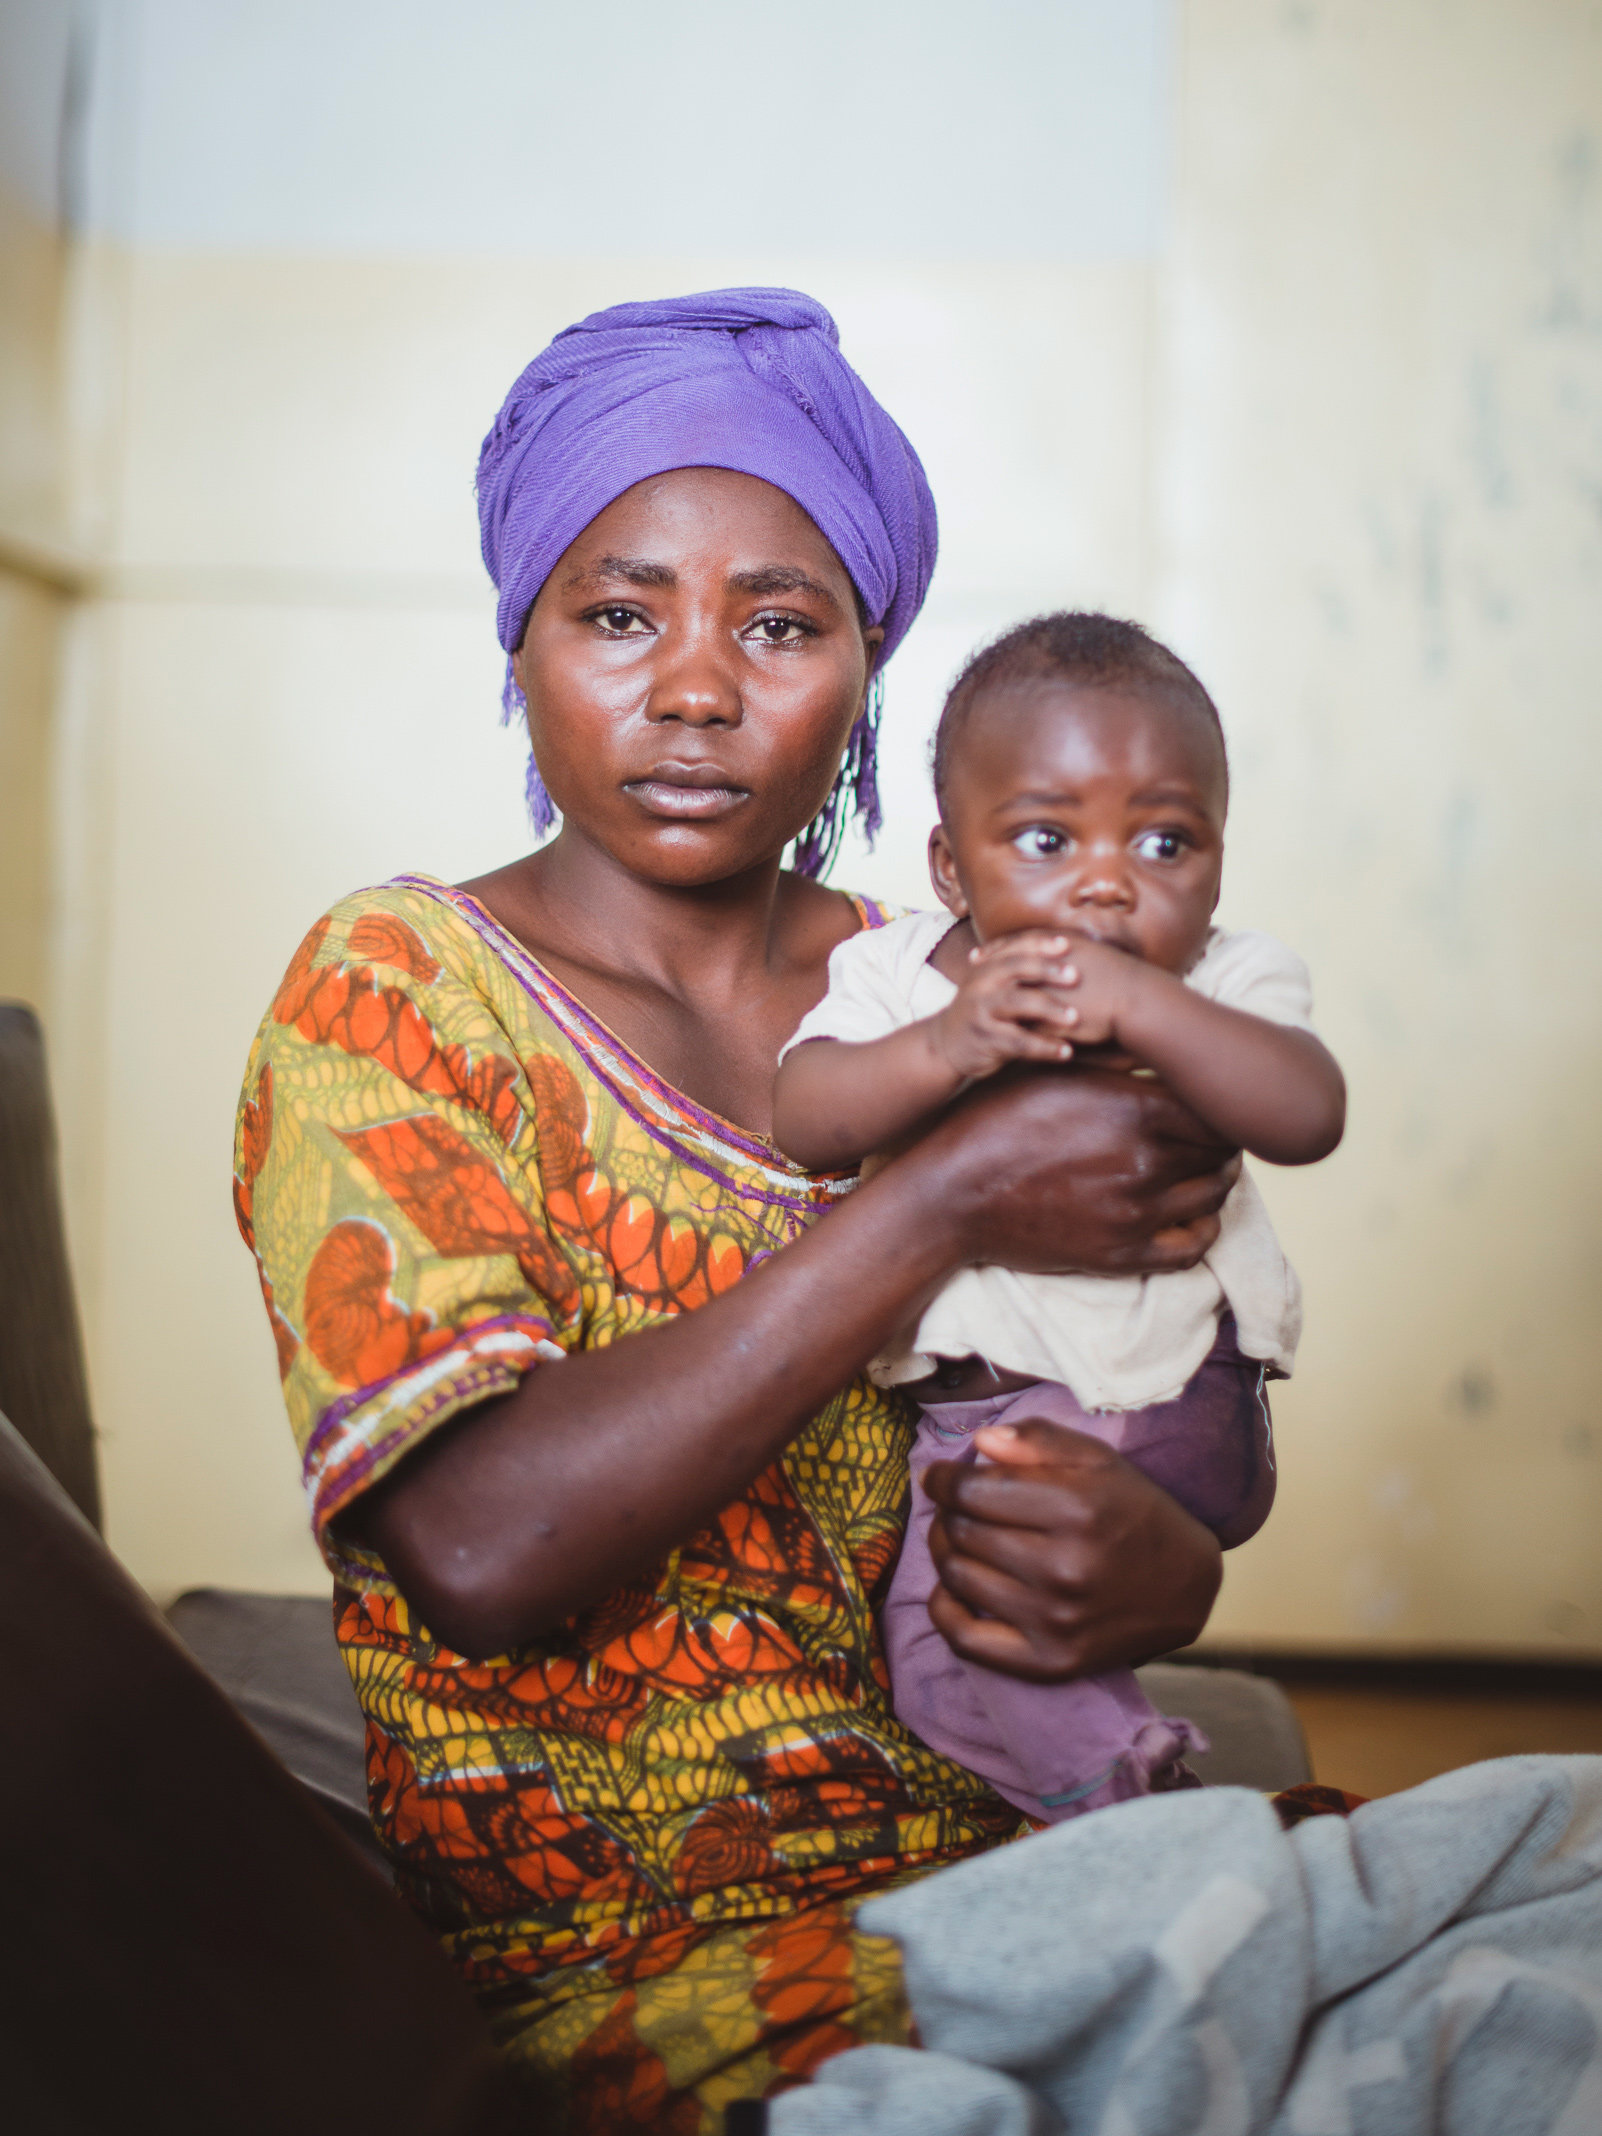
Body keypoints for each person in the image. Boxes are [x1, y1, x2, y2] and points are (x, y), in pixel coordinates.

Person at [235, 289, 1248, 2134]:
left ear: (871, 668)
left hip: (1007, 1853)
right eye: (616, 614)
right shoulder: (394, 990)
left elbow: (1131, 1378)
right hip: (654, 1972)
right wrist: (939, 1196)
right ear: (523, 641)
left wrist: (1164, 1556)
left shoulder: (935, 995)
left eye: (778, 626)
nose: (693, 688)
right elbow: (475, 1547)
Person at [771, 611, 1346, 1823]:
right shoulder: (900, 977)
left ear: (1220, 863)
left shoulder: (1220, 977)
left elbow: (1306, 1111)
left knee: (970, 1630)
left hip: (1162, 1393)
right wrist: (944, 1044)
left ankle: (1143, 1813)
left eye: (1166, 842)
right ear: (948, 868)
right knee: (935, 1666)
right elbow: (807, 1115)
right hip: (985, 1413)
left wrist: (1143, 999)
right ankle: (1120, 1796)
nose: (1106, 881)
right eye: (1045, 838)